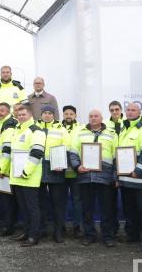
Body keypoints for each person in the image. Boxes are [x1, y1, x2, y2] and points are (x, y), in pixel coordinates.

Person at [116, 103, 142, 251]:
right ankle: (133, 236)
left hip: (140, 178)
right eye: (128, 110)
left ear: (139, 112)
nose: (130, 112)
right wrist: (118, 176)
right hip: (125, 179)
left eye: (133, 110)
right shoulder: (123, 129)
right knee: (129, 209)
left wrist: (138, 170)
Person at [76, 109, 117, 247]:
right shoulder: (80, 133)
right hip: (85, 176)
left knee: (106, 209)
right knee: (87, 209)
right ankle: (89, 235)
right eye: (91, 116)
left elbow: (116, 156)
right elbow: (73, 152)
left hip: (105, 177)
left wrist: (115, 176)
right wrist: (77, 166)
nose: (93, 118)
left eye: (96, 116)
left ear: (101, 118)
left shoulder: (111, 134)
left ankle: (108, 236)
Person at [6, 104, 45, 247]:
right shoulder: (17, 130)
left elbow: (37, 153)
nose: (21, 117)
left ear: (30, 115)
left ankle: (34, 236)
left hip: (29, 177)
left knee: (32, 208)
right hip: (17, 177)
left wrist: (26, 172)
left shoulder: (36, 131)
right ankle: (26, 232)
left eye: (24, 114)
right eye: (19, 115)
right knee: (24, 207)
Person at [38, 107, 75, 243]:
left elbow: (67, 148)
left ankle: (58, 232)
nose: (47, 115)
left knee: (57, 203)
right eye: (45, 113)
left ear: (54, 115)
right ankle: (41, 230)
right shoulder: (35, 127)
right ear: (41, 114)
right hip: (38, 169)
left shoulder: (61, 129)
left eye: (50, 113)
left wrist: (62, 164)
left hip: (56, 169)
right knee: (40, 202)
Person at [0, 102, 19, 237]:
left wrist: (2, 169)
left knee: (8, 202)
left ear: (8, 111)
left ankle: (8, 227)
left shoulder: (8, 125)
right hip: (1, 169)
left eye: (2, 110)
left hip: (5, 171)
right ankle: (8, 225)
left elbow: (7, 149)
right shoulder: (1, 124)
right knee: (7, 201)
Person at [61, 105, 82, 238]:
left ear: (75, 115)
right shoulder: (57, 127)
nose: (68, 116)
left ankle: (77, 226)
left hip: (76, 169)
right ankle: (61, 226)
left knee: (77, 200)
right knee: (61, 200)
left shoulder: (82, 128)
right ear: (63, 115)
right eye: (66, 114)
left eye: (71, 114)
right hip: (61, 169)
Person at [106, 100, 125, 238]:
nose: (114, 112)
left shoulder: (128, 123)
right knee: (111, 201)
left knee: (128, 200)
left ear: (121, 110)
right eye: (112, 110)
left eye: (117, 109)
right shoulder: (105, 125)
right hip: (111, 165)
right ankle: (113, 228)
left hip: (126, 163)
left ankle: (131, 230)